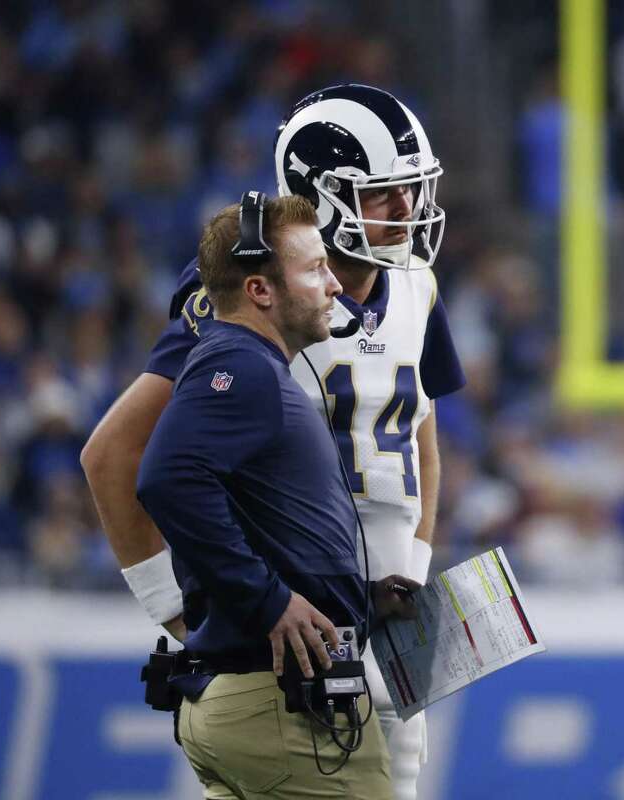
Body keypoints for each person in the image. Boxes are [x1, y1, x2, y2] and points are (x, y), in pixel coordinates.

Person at [81, 84, 464, 800]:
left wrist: (410, 563)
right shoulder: (248, 291)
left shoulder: (417, 285)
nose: (407, 211)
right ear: (323, 194)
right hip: (291, 643)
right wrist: (177, 607)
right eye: (384, 195)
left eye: (411, 190)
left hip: (383, 624)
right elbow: (117, 454)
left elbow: (423, 440)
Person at [137, 192, 420, 798]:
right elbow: (166, 478)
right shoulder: (241, 367)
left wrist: (361, 602)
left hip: (260, 702)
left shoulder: (251, 366)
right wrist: (267, 603)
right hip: (285, 711)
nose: (334, 287)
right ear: (262, 291)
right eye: (315, 269)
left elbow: (262, 522)